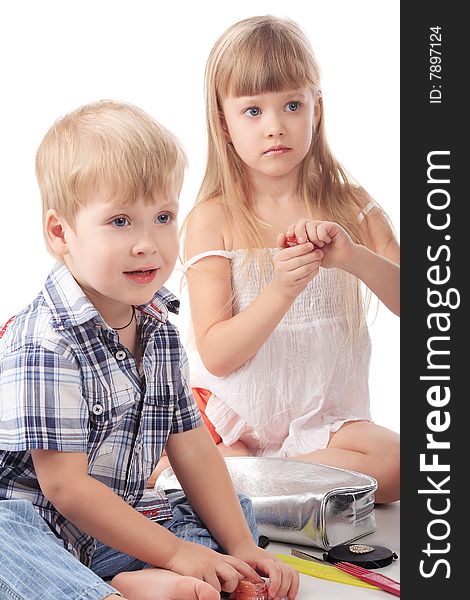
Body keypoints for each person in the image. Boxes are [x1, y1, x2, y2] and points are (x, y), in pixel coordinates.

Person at [0, 100, 298, 600]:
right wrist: (178, 552)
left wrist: (240, 543)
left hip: (111, 526)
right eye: (120, 222)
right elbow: (65, 489)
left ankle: (144, 576)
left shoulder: (158, 329)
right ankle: (104, 591)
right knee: (6, 544)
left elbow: (192, 444)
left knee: (227, 507)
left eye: (162, 217)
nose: (148, 243)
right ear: (60, 233)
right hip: (36, 528)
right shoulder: (44, 340)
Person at [181, 15, 400, 505]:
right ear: (224, 123)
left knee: (400, 465)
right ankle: (256, 481)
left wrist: (354, 257)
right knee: (185, 449)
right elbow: (217, 354)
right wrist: (281, 290)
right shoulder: (213, 218)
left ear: (316, 109)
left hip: (326, 427)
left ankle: (248, 482)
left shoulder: (351, 205)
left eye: (292, 105)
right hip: (230, 412)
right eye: (253, 111)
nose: (275, 126)